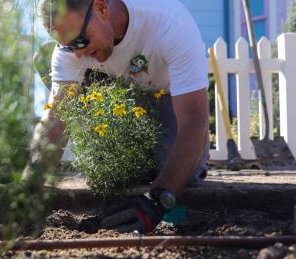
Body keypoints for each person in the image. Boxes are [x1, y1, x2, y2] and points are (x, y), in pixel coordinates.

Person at [22, 0, 210, 234]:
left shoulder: (171, 24)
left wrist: (158, 199)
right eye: (69, 46)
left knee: (181, 171)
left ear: (101, 8)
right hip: (118, 98)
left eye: (81, 41)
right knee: (114, 170)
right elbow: (56, 120)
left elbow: (195, 122)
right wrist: (27, 189)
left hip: (167, 97)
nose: (78, 54)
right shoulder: (70, 52)